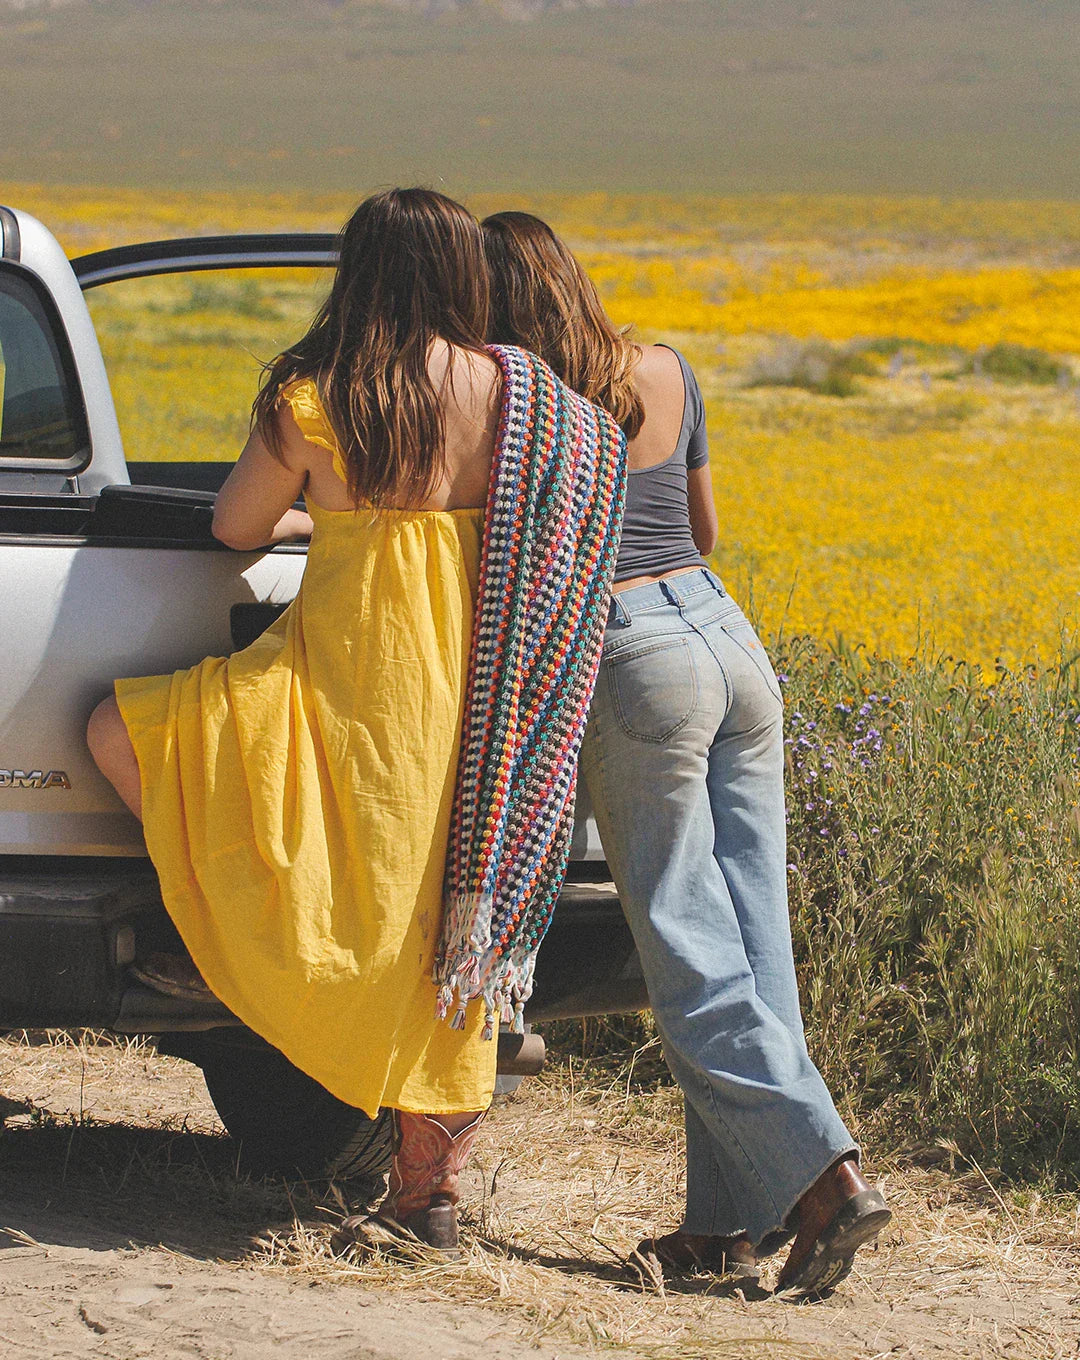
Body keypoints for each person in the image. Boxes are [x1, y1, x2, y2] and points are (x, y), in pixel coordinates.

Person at [87, 189, 625, 1254]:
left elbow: (235, 523)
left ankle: (235, 947)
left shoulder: (319, 398)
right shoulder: (530, 400)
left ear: (362, 273)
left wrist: (317, 512)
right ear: (461, 276)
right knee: (439, 930)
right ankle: (426, 1195)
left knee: (120, 732)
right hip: (477, 712)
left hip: (340, 690)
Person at [481, 211, 891, 1296]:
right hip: (728, 639)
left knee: (684, 941)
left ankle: (826, 1174)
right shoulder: (666, 368)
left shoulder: (525, 405)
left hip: (635, 655)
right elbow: (701, 529)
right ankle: (727, 1223)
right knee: (755, 940)